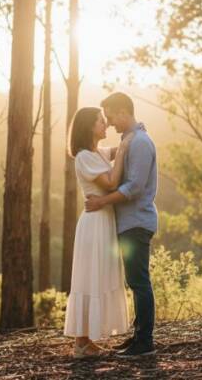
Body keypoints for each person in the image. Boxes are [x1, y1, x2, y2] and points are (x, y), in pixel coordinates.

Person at [86, 92, 158, 357]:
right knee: (135, 280)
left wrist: (102, 201)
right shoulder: (131, 139)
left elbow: (135, 187)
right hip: (129, 222)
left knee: (139, 282)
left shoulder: (139, 142)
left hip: (136, 221)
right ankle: (139, 335)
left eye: (111, 116)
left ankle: (145, 342)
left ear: (124, 112)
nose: (110, 123)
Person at [63, 107, 133, 358]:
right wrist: (124, 149)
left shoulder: (97, 153)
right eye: (101, 122)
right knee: (89, 277)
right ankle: (81, 343)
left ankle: (86, 341)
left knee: (99, 275)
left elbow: (115, 152)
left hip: (103, 220)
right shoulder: (84, 157)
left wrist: (129, 138)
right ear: (89, 127)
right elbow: (112, 182)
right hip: (93, 224)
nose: (106, 125)